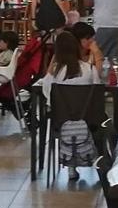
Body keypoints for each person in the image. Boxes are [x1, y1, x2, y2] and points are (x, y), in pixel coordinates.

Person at [41, 32, 101, 181]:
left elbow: (47, 93)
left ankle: (71, 168)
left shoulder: (55, 72)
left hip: (62, 121)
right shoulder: (89, 69)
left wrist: (53, 62)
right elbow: (97, 91)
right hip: (88, 119)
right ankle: (99, 159)